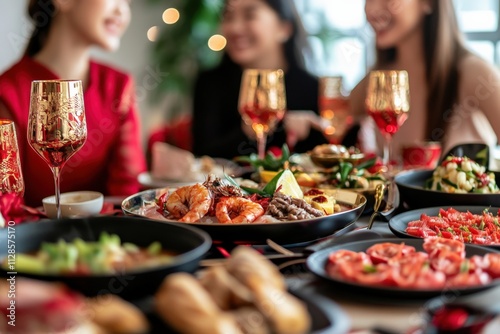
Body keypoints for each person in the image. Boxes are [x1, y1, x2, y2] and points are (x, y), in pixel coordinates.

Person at [0, 0, 146, 207]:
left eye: (128, 2)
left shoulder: (118, 86)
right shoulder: (8, 93)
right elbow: (6, 208)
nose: (122, 10)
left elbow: (130, 197)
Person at [349, 0, 500, 166]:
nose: (372, 9)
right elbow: (334, 122)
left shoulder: (475, 73)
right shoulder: (377, 81)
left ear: (429, 3)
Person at [191, 0, 328, 159]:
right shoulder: (210, 84)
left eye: (250, 16)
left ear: (284, 28)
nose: (235, 28)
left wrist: (313, 132)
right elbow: (202, 157)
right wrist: (246, 133)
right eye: (228, 17)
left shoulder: (313, 88)